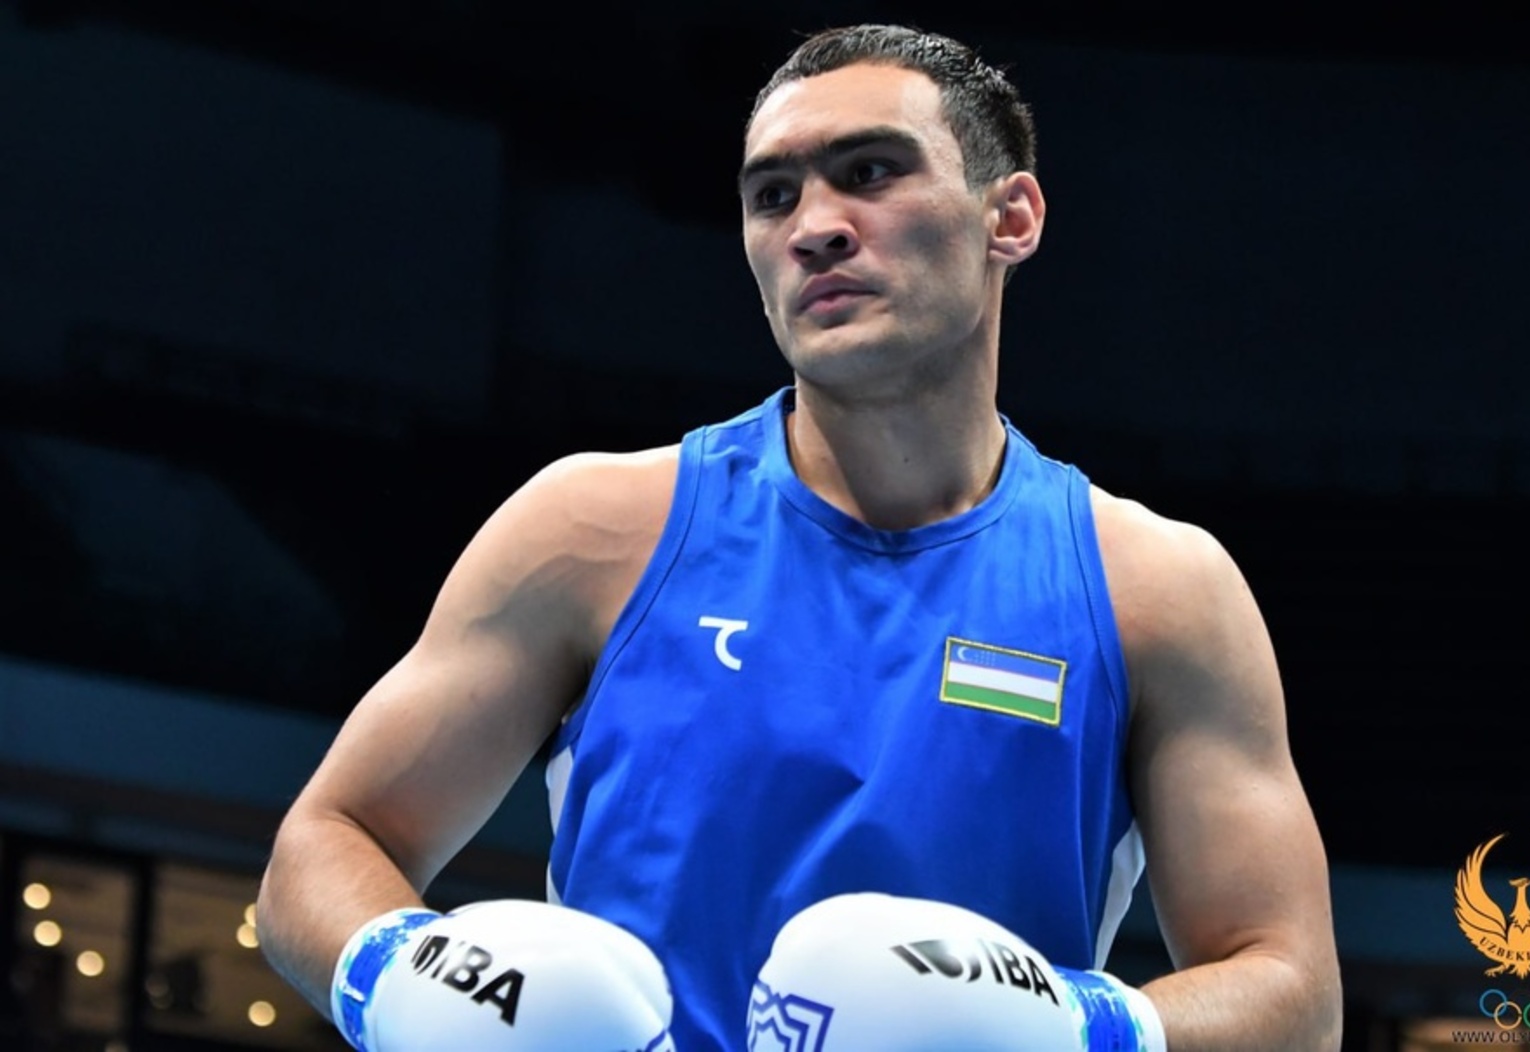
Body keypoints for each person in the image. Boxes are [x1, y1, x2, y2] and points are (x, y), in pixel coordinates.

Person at [256, 22, 1343, 1052]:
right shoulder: (596, 528)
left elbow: (1292, 989)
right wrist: (401, 971)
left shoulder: (1156, 587)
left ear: (1009, 218)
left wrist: (1072, 1028)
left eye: (869, 171)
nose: (813, 225)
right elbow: (331, 836)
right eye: (773, 194)